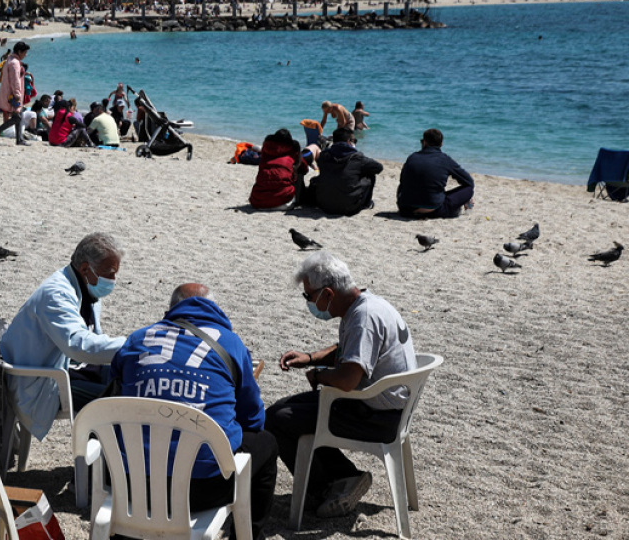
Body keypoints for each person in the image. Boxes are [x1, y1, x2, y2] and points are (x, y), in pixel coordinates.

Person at [110, 284, 278, 539]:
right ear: (215, 309)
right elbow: (254, 419)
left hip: (129, 484)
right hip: (201, 490)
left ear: (171, 308)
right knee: (267, 443)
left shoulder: (137, 338)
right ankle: (249, 535)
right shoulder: (230, 343)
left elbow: (116, 392)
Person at [265, 252, 417, 519]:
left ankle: (332, 485)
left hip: (377, 416)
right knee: (285, 409)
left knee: (277, 419)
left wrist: (318, 375)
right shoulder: (367, 304)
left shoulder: (363, 319)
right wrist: (310, 358)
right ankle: (341, 477)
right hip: (389, 406)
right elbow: (347, 350)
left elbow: (347, 380)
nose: (310, 303)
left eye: (309, 296)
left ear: (328, 294)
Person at [0, 233, 126, 441]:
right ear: (86, 269)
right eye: (109, 274)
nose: (113, 281)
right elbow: (78, 346)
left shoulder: (86, 288)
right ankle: (100, 465)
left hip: (68, 367)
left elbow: (89, 341)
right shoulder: (56, 294)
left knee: (131, 378)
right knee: (118, 401)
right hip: (40, 381)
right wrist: (130, 345)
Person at [396, 128, 475, 218]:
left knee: (405, 184)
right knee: (469, 189)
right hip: (433, 209)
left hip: (406, 209)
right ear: (441, 144)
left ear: (424, 142)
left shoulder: (412, 157)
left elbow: (402, 181)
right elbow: (469, 182)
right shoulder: (444, 159)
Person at [306, 128, 383, 216]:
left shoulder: (324, 156)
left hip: (324, 205)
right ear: (349, 141)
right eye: (354, 140)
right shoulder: (357, 158)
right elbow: (379, 167)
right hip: (349, 208)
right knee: (370, 175)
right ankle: (366, 203)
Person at [249, 128, 304, 210]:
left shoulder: (267, 148)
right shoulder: (293, 149)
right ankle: (301, 200)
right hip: (283, 202)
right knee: (299, 172)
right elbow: (303, 167)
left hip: (258, 201)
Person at [0, 41, 30, 145]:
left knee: (19, 115)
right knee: (17, 117)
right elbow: (15, 80)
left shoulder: (10, 59)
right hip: (12, 95)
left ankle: (19, 139)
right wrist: (17, 95)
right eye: (25, 52)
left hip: (8, 92)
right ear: (19, 51)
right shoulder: (14, 63)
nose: (26, 55)